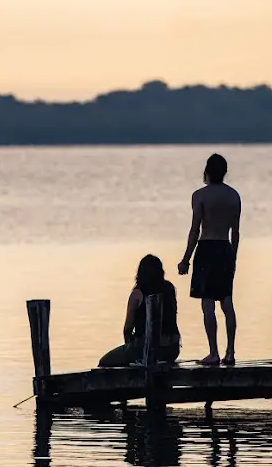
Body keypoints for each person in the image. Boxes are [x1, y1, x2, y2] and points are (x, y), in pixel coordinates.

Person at [177, 153, 241, 366]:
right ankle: (230, 352)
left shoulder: (200, 196)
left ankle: (213, 353)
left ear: (207, 172)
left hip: (206, 248)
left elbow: (195, 229)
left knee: (208, 304)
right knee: (227, 302)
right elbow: (236, 232)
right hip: (225, 248)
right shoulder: (234, 196)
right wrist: (234, 255)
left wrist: (186, 258)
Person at [98, 254, 181, 368]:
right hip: (172, 348)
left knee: (104, 362)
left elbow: (128, 327)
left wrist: (130, 346)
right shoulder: (169, 289)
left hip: (147, 347)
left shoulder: (138, 293)